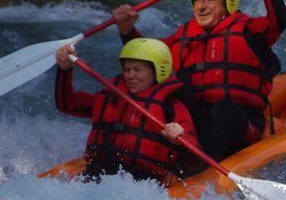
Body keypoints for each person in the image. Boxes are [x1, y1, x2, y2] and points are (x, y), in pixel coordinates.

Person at [113, 0, 286, 162]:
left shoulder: (249, 30)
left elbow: (279, 19)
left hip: (241, 124)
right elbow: (147, 60)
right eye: (197, 0)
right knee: (160, 100)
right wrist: (127, 30)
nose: (201, 6)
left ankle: (197, 167)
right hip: (194, 126)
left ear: (228, 3)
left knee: (223, 108)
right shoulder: (184, 36)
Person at [54, 38, 200, 184]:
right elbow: (67, 104)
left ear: (158, 70)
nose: (130, 75)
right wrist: (65, 69)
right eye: (127, 70)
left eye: (137, 69)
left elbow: (195, 158)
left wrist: (179, 137)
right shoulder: (110, 96)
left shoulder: (171, 107)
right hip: (99, 171)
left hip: (144, 182)